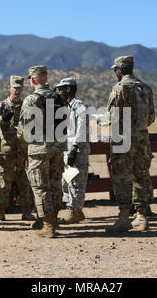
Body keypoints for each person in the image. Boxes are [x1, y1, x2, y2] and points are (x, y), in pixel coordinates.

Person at [106, 56, 155, 233]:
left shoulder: (119, 88)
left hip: (123, 137)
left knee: (122, 177)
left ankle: (124, 216)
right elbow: (151, 118)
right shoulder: (145, 88)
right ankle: (141, 216)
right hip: (142, 138)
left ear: (120, 69)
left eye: (115, 70)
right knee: (140, 175)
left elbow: (112, 115)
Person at [17, 65, 66, 238]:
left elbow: (25, 131)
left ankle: (47, 225)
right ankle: (53, 219)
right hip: (58, 148)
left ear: (33, 79)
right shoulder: (59, 98)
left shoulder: (31, 100)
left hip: (38, 149)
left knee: (40, 187)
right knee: (55, 185)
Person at [0, 75, 35, 222]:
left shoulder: (26, 106)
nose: (17, 90)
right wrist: (1, 119)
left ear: (22, 89)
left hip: (22, 151)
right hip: (6, 151)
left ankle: (27, 212)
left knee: (25, 183)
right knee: (4, 182)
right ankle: (0, 212)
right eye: (14, 87)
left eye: (19, 87)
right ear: (9, 88)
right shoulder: (1, 106)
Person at [54, 78, 90, 224]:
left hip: (77, 151)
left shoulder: (79, 106)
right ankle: (75, 211)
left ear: (68, 89)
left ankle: (74, 211)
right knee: (66, 181)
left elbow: (82, 129)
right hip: (66, 150)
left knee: (76, 182)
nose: (58, 92)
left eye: (60, 89)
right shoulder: (64, 107)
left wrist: (74, 149)